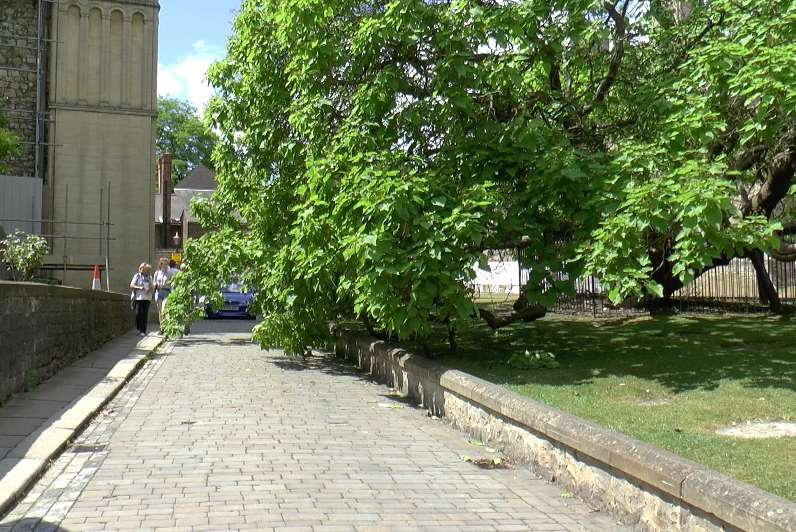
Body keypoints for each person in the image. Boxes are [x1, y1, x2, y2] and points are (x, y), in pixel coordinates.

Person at [130, 262, 153, 336]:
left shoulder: (150, 277)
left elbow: (152, 286)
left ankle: (143, 330)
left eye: (146, 269)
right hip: (138, 297)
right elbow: (131, 285)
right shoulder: (137, 276)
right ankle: (139, 328)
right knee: (138, 313)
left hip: (147, 297)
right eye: (142, 269)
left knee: (144, 314)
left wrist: (149, 289)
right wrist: (140, 287)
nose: (144, 270)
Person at [153, 257, 173, 333]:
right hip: (158, 292)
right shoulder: (157, 273)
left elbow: (172, 283)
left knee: (164, 310)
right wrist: (155, 284)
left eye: (166, 264)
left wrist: (168, 283)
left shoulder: (170, 273)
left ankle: (166, 326)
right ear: (160, 264)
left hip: (167, 292)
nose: (164, 265)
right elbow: (154, 282)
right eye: (163, 264)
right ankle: (162, 328)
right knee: (160, 311)